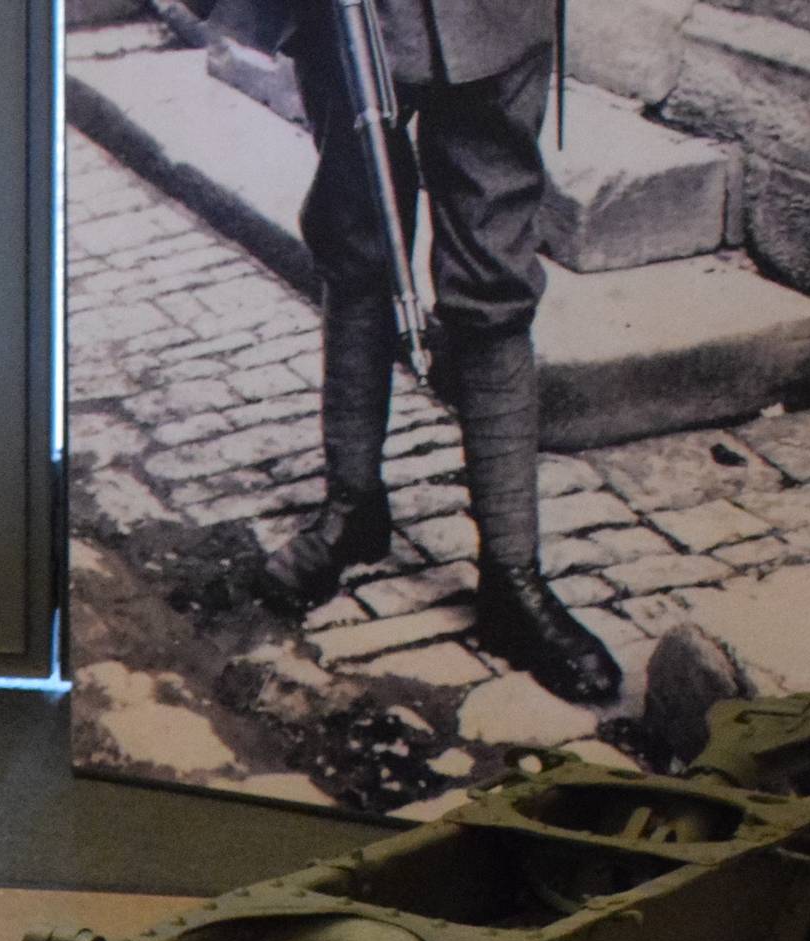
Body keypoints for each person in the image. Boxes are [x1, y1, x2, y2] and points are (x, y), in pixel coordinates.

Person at [257, 0, 624, 708]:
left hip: (492, 14)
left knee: (494, 263)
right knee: (356, 230)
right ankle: (352, 508)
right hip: (353, 18)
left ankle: (512, 577)